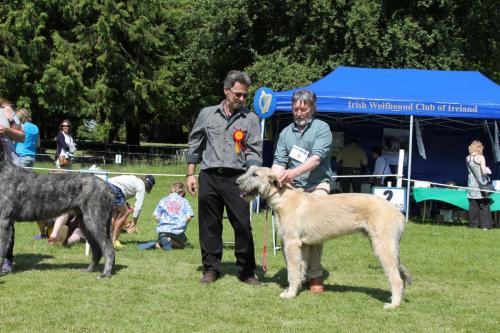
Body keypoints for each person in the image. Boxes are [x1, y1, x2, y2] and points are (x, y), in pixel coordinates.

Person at [186, 70, 262, 285]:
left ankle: (246, 271)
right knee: (209, 225)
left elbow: (254, 151)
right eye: (238, 94)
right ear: (226, 91)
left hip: (238, 179)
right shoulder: (207, 114)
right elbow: (195, 144)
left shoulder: (251, 119)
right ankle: (211, 269)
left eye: (245, 95)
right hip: (209, 176)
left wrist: (253, 177)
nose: (242, 99)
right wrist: (190, 174)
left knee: (243, 225)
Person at [270, 89, 332, 294]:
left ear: (312, 109)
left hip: (317, 187)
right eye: (295, 109)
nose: (299, 113)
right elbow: (279, 163)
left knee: (313, 233)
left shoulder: (322, 128)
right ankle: (296, 276)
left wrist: (293, 173)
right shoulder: (286, 133)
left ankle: (315, 276)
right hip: (293, 190)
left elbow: (316, 158)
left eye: (303, 109)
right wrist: (272, 182)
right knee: (287, 233)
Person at [0, 98, 25, 275]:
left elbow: (22, 136)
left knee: (5, 215)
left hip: (8, 169)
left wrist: (7, 130)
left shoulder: (6, 110)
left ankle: (6, 259)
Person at [138, 182, 194, 251]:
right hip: (177, 231)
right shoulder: (184, 201)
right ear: (182, 193)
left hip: (163, 231)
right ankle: (169, 242)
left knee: (165, 238)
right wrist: (182, 224)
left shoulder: (163, 200)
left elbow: (155, 215)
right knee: (183, 245)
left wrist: (162, 222)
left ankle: (160, 243)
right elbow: (189, 216)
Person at [107, 174, 155, 248]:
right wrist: (134, 221)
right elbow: (138, 207)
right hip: (114, 188)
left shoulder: (134, 179)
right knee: (125, 213)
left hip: (106, 184)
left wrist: (126, 204)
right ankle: (114, 240)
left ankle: (107, 237)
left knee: (115, 212)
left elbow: (123, 191)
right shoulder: (141, 185)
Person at [465, 140, 493, 230]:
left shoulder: (467, 158)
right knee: (484, 205)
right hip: (481, 185)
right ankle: (485, 226)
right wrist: (488, 170)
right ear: (479, 148)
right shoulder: (481, 157)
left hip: (471, 185)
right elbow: (484, 172)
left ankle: (473, 225)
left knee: (473, 206)